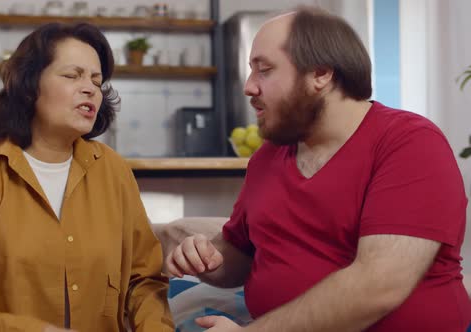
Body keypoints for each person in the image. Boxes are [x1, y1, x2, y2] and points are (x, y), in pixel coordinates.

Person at [166, 6, 471, 332]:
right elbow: (240, 255)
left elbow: (379, 285)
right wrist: (205, 257)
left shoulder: (410, 143)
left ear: (321, 74)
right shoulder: (268, 157)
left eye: (264, 70)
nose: (249, 87)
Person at [0, 22, 173, 332]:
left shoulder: (113, 171)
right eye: (72, 76)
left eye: (97, 81)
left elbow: (145, 282)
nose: (90, 88)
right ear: (30, 85)